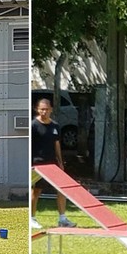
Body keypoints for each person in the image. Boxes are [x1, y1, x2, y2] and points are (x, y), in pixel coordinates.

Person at [30, 97, 77, 229]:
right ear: (37, 109)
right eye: (41, 109)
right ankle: (32, 218)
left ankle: (62, 219)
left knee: (62, 189)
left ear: (51, 109)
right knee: (37, 190)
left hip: (53, 164)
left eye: (46, 109)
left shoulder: (55, 126)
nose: (44, 112)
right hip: (37, 164)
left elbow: (57, 145)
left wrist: (60, 162)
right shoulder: (33, 125)